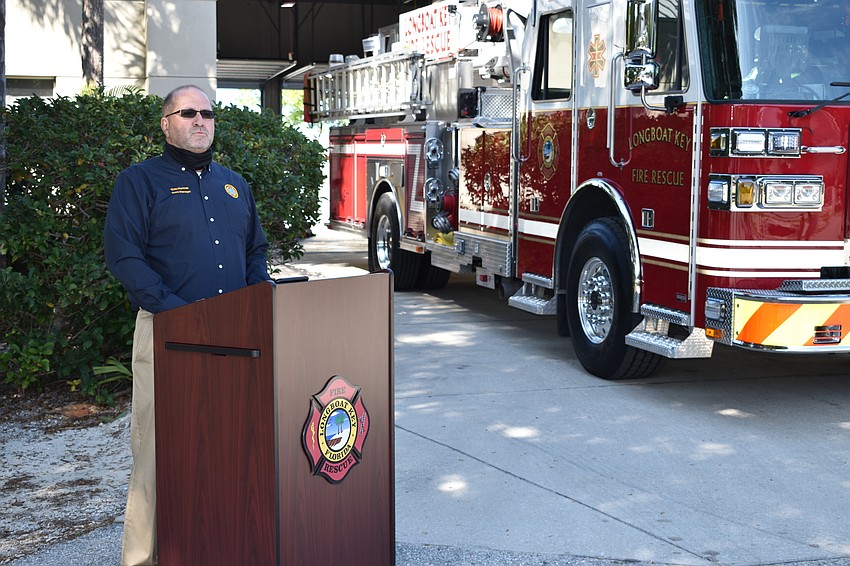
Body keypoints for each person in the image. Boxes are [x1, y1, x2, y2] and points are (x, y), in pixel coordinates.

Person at [104, 84, 271, 566]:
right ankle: (142, 559)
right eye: (187, 113)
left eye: (207, 114)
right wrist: (177, 312)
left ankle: (222, 547)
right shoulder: (139, 182)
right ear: (166, 123)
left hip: (237, 338)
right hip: (167, 334)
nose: (200, 121)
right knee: (157, 457)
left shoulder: (235, 184)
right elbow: (125, 256)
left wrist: (261, 300)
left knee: (231, 449)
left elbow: (254, 252)